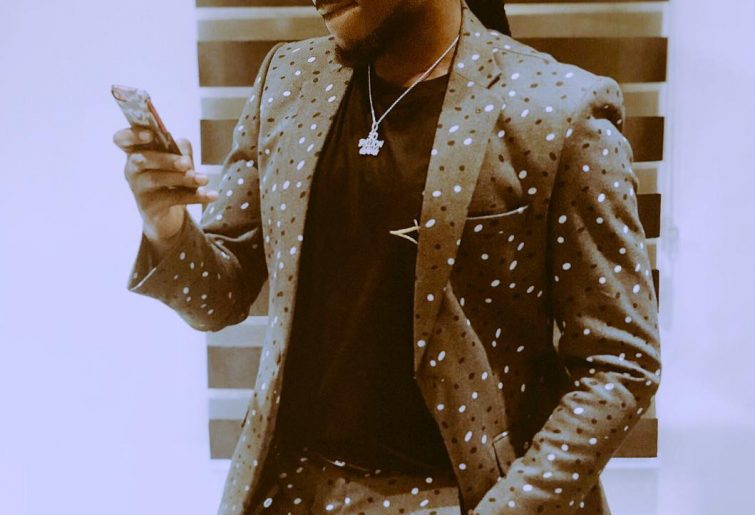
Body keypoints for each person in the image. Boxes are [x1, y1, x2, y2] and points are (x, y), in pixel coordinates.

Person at [113, 0, 662, 513]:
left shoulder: (556, 108)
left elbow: (620, 362)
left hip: (464, 494)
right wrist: (167, 227)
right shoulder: (287, 79)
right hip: (286, 490)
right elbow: (220, 296)